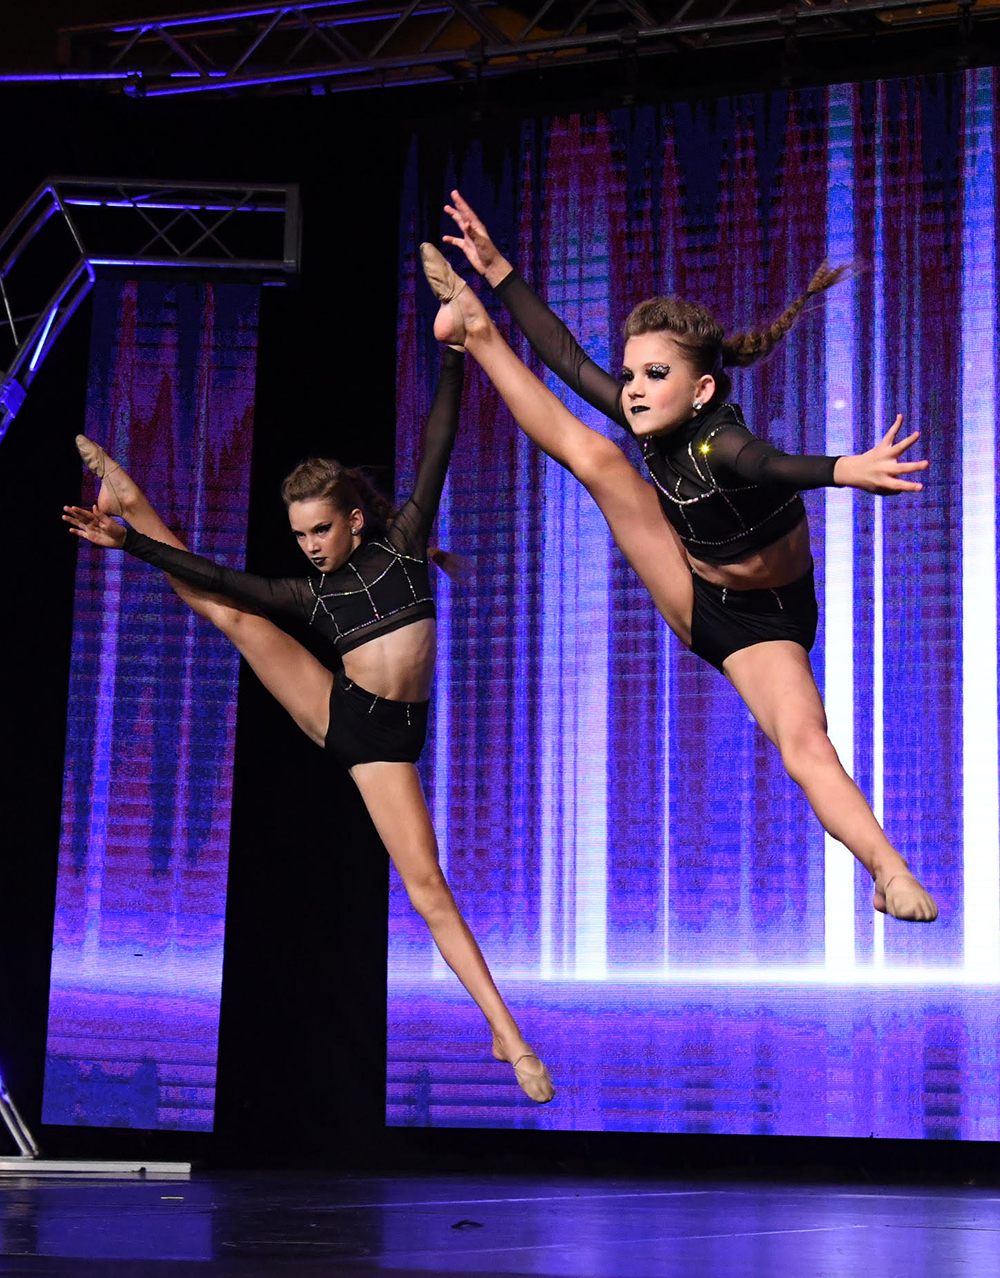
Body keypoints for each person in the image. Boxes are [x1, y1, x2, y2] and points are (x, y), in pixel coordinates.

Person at [419, 190, 937, 924]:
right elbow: (566, 356)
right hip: (696, 587)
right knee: (597, 457)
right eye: (630, 375)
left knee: (804, 744)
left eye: (653, 377)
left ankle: (889, 870)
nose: (632, 390)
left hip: (764, 623)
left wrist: (843, 470)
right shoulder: (651, 418)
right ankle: (476, 330)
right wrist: (498, 270)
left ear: (701, 390)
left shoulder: (717, 439)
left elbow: (768, 464)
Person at [62, 343, 555, 1103]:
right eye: (299, 536)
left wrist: (455, 353)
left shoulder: (404, 546)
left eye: (320, 530)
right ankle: (131, 497)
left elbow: (439, 440)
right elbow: (221, 579)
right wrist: (130, 544)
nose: (310, 547)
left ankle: (502, 1031)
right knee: (226, 611)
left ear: (355, 520)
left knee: (431, 888)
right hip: (351, 725)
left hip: (396, 736)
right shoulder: (312, 595)